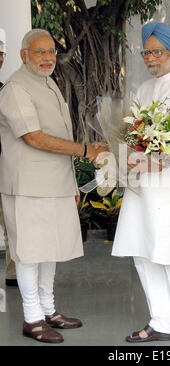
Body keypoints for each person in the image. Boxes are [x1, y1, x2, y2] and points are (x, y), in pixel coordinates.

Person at [0, 29, 108, 343]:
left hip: (56, 183)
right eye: (39, 52)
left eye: (51, 52)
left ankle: (48, 310)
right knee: (30, 253)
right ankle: (32, 318)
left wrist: (72, 182)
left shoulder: (49, 83)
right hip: (28, 186)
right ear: (23, 55)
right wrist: (86, 151)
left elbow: (57, 136)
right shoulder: (15, 88)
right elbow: (33, 137)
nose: (48, 58)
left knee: (50, 251)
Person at [112, 22, 170, 343]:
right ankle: (161, 319)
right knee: (143, 251)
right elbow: (130, 134)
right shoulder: (143, 91)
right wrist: (124, 154)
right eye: (147, 52)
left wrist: (159, 161)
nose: (151, 58)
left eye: (157, 52)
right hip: (143, 187)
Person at [0, 40, 18, 287]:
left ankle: (14, 273)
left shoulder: (4, 90)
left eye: (1, 53)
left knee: (10, 222)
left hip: (3, 165)